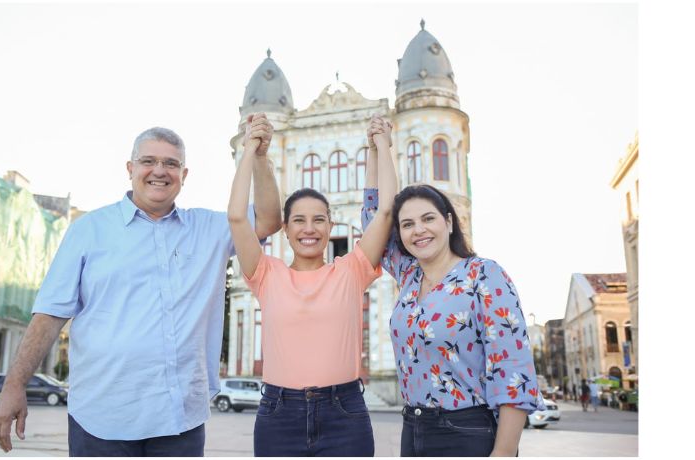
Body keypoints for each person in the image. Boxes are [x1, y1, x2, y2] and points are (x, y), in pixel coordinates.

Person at [0, 115, 282, 456]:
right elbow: (50, 314)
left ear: (183, 176)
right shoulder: (89, 229)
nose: (160, 171)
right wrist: (14, 385)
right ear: (130, 168)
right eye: (149, 161)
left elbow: (268, 220)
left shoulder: (210, 229)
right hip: (102, 418)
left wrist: (259, 158)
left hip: (179, 419)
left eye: (171, 164)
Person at [361, 135, 545, 456]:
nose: (418, 230)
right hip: (413, 429)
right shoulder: (408, 275)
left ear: (448, 222)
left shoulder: (484, 275)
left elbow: (513, 371)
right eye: (408, 224)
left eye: (428, 218)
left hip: (468, 431)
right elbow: (374, 216)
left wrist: (502, 453)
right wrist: (379, 148)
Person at [227, 115, 398, 456]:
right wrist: (250, 151)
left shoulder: (351, 271)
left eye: (319, 219)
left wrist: (381, 147)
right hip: (279, 414)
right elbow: (236, 217)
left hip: (344, 412)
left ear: (330, 225)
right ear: (285, 229)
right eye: (299, 221)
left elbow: (385, 213)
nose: (310, 229)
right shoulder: (265, 273)